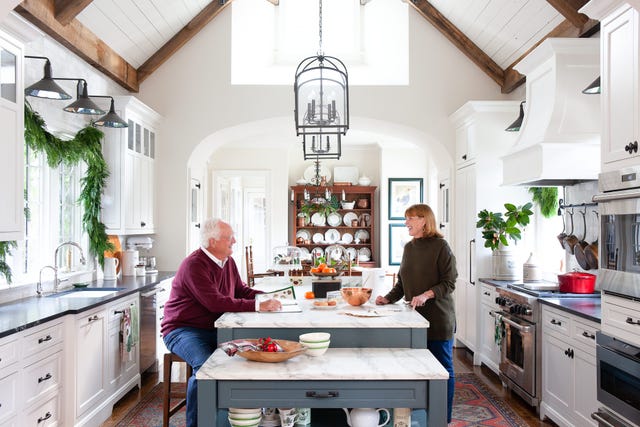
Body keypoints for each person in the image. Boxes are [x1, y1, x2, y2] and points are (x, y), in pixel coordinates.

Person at [161, 218, 282, 427]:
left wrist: (272, 296)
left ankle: (235, 415)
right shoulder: (194, 265)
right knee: (207, 368)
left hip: (216, 328)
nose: (234, 241)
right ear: (212, 241)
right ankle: (198, 423)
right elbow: (215, 303)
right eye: (229, 238)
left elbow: (241, 291)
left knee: (249, 356)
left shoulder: (227, 261)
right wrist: (258, 306)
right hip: (183, 330)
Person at [375, 204, 457, 423]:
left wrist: (426, 295)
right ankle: (418, 414)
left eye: (411, 218)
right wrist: (388, 298)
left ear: (424, 220)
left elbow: (449, 282)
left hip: (438, 319)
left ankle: (442, 418)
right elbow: (403, 282)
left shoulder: (441, 246)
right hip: (413, 319)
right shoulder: (409, 247)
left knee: (441, 370)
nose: (406, 223)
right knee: (416, 369)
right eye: (406, 218)